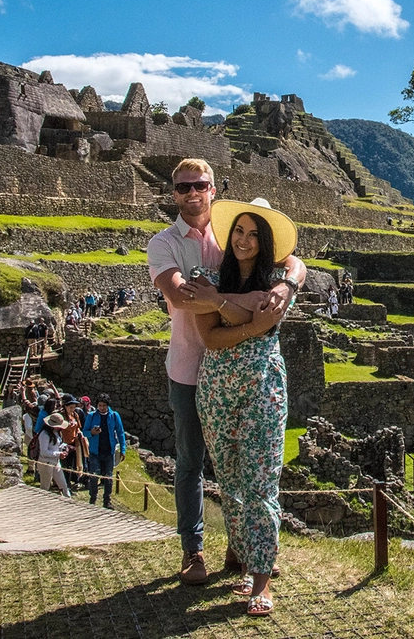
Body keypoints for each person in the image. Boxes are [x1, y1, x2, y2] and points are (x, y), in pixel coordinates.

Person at [147, 159, 305, 589]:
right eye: (183, 188)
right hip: (190, 366)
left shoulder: (235, 231)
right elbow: (183, 298)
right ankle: (192, 549)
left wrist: (285, 287)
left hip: (246, 373)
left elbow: (295, 262)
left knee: (244, 466)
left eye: (199, 185)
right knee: (191, 460)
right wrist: (254, 308)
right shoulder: (163, 244)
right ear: (173, 193)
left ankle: (243, 549)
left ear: (213, 189)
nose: (191, 193)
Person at [187, 197, 298, 616]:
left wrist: (220, 303)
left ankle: (262, 581)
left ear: (265, 241)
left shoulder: (279, 282)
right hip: (216, 390)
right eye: (239, 231)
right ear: (228, 233)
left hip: (263, 388)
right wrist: (248, 319)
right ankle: (246, 556)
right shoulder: (205, 277)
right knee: (230, 481)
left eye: (254, 234)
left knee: (262, 480)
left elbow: (279, 299)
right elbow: (210, 338)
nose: (244, 240)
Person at [84, 393, 127, 508]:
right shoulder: (91, 416)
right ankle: (92, 498)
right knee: (94, 475)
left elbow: (120, 432)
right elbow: (84, 432)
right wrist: (92, 433)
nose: (102, 408)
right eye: (100, 405)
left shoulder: (114, 416)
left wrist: (123, 449)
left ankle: (107, 500)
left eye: (104, 405)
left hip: (109, 451)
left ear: (108, 405)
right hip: (95, 451)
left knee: (108, 477)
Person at [35, 412, 72, 494]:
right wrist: (59, 454)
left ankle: (68, 501)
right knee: (45, 487)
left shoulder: (56, 433)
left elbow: (58, 444)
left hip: (56, 462)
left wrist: (66, 447)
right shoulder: (44, 434)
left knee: (64, 486)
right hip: (46, 463)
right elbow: (44, 452)